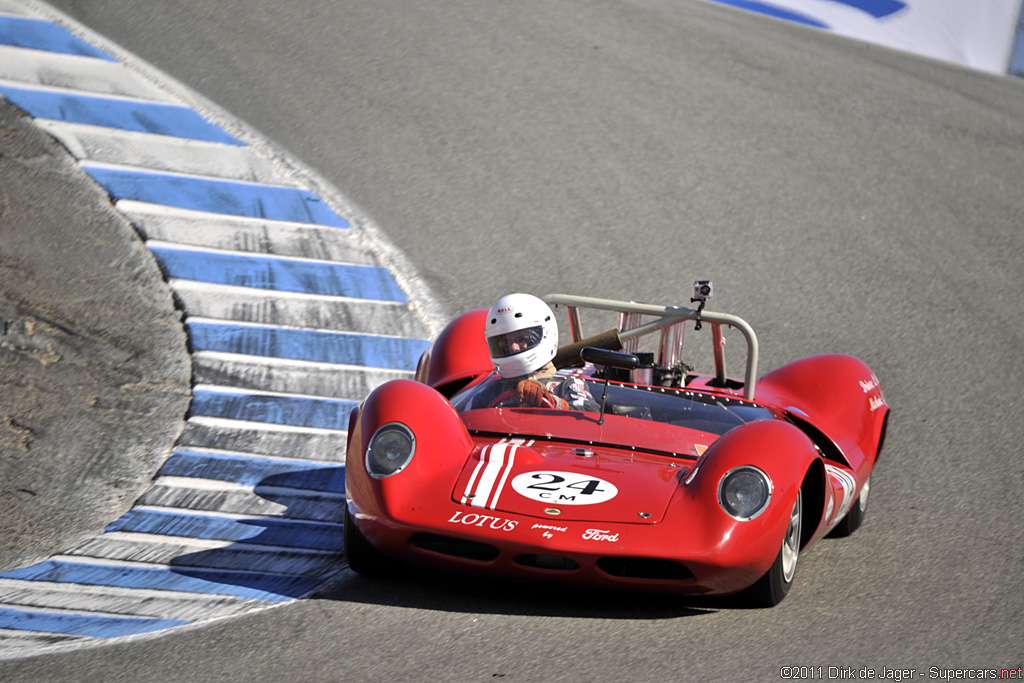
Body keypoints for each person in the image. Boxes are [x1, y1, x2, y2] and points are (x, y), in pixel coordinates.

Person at [484, 293, 598, 411]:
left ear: (545, 334)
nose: (514, 348)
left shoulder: (568, 385)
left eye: (521, 339)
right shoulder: (493, 389)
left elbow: (589, 412)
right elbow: (464, 413)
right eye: (506, 343)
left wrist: (553, 402)